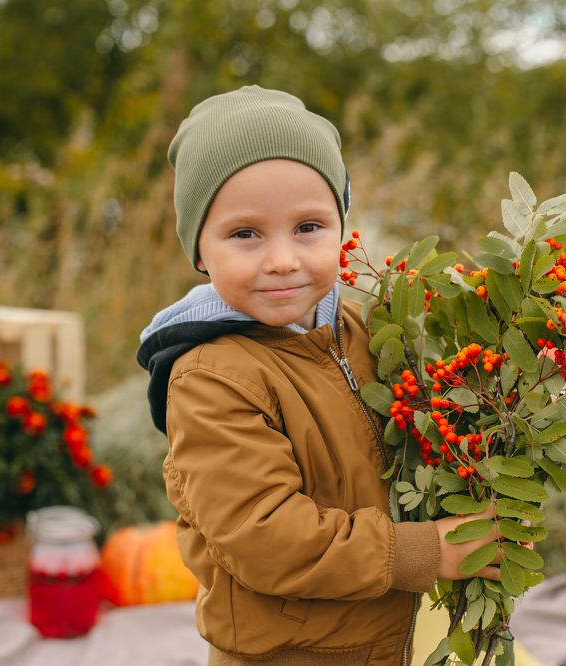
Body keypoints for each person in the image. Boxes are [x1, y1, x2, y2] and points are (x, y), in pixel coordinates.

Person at [136, 85, 502, 666]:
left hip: (381, 641)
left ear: (341, 228)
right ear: (200, 251)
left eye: (308, 227)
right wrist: (426, 554)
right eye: (245, 234)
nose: (282, 259)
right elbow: (267, 540)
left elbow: (420, 441)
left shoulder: (364, 330)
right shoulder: (211, 377)